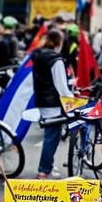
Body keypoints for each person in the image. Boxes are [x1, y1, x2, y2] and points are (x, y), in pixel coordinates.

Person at [32, 29, 73, 179]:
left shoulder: (39, 55)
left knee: (50, 136)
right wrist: (72, 100)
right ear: (59, 42)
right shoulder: (56, 60)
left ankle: (47, 165)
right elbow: (61, 87)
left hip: (42, 100)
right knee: (52, 137)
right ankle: (44, 170)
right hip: (53, 103)